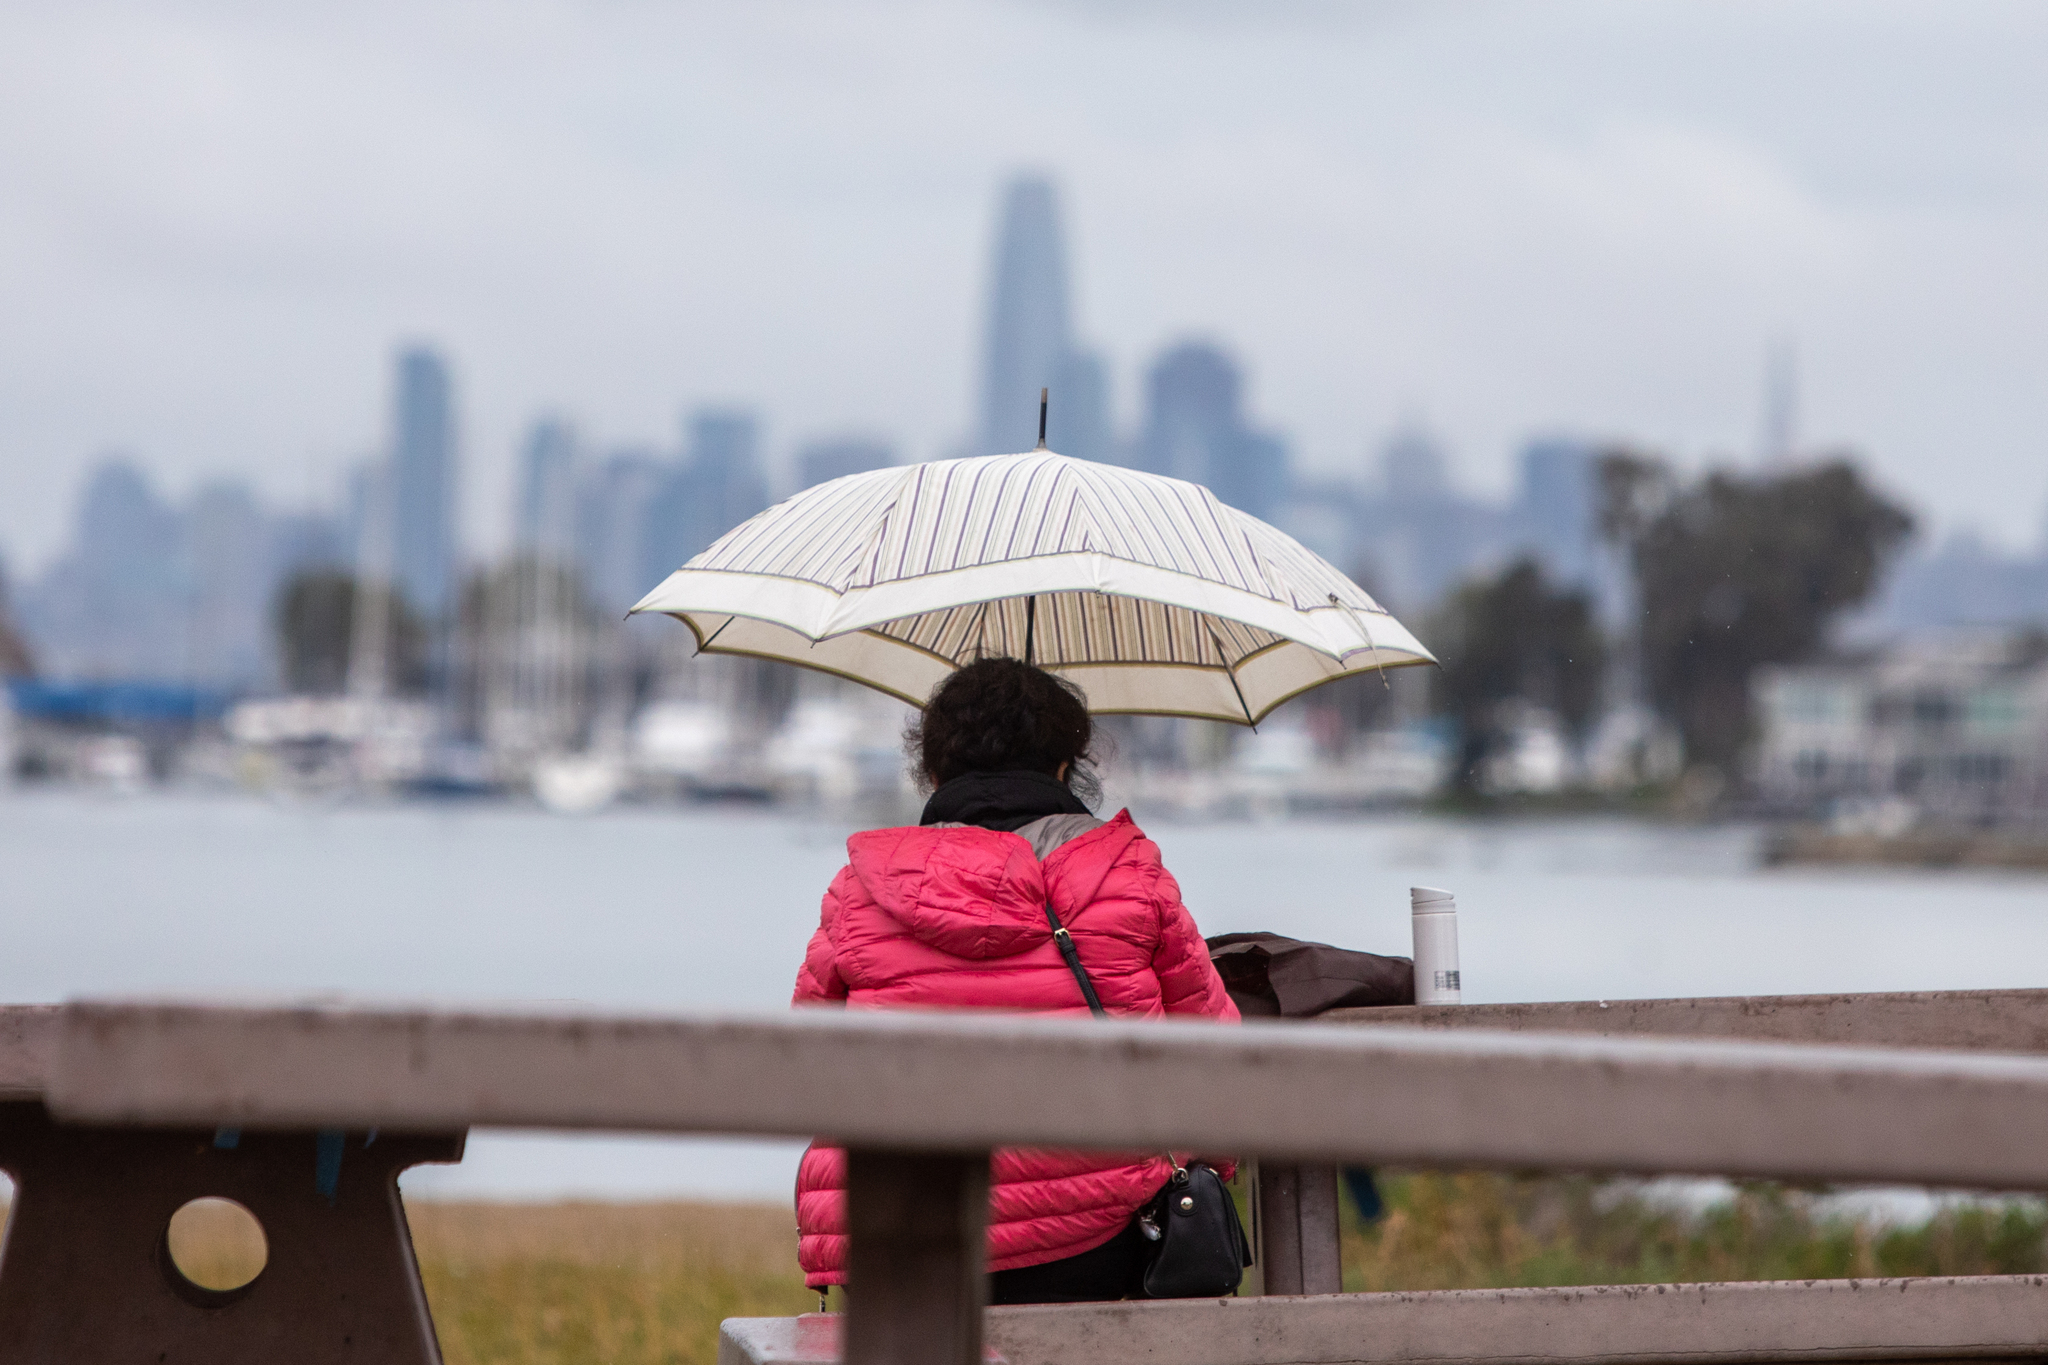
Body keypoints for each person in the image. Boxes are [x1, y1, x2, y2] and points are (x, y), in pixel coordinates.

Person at [790, 656, 1240, 1304]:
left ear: (936, 769)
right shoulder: (1130, 875)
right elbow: (1216, 1056)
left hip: (899, 1243)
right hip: (1103, 1243)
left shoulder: (859, 889)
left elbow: (809, 1066)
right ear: (1065, 765)